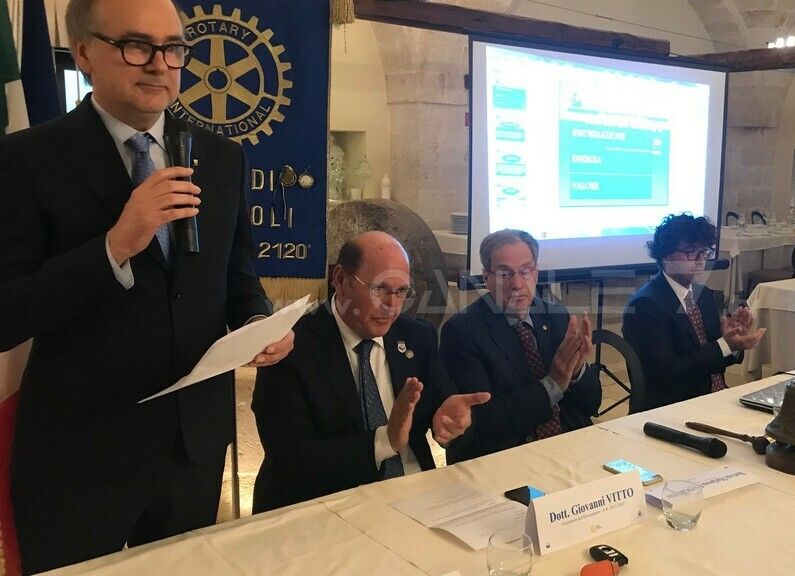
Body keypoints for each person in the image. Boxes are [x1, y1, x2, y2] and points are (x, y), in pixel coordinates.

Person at [0, 0, 293, 571]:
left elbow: (239, 279)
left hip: (191, 447)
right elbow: (8, 313)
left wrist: (259, 322)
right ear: (84, 53)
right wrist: (114, 247)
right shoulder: (25, 159)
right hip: (78, 453)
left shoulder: (221, 157)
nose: (160, 64)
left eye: (174, 48)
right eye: (137, 45)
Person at [252, 232, 489, 512]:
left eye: (401, 291)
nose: (392, 305)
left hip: (416, 494)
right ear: (341, 279)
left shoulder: (417, 337)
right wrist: (383, 441)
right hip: (326, 506)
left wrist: (449, 420)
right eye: (379, 289)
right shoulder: (291, 347)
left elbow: (443, 406)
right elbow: (289, 459)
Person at [440, 229, 600, 463]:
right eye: (504, 273)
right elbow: (484, 422)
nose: (516, 284)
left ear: (536, 273)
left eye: (525, 271)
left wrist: (576, 372)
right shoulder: (462, 331)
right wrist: (554, 384)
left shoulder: (556, 316)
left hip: (568, 447)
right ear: (486, 278)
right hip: (506, 456)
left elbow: (591, 405)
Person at [622, 213, 765, 412]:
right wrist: (724, 345)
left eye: (704, 251)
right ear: (665, 255)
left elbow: (713, 357)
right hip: (672, 408)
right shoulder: (646, 305)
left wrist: (733, 340)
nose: (700, 260)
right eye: (691, 252)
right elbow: (664, 374)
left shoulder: (703, 294)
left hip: (712, 398)